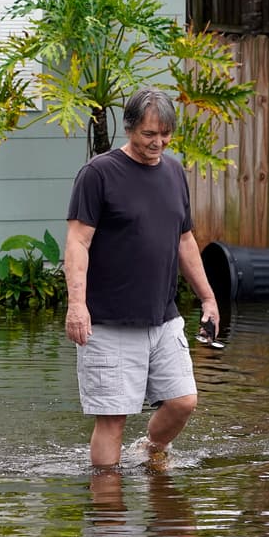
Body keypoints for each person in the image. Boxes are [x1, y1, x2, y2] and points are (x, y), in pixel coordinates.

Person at [64, 86, 220, 467]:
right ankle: (109, 515)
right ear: (130, 128)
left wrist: (208, 298)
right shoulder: (98, 173)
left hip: (162, 317)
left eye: (165, 134)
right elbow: (77, 242)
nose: (158, 142)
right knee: (113, 418)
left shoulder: (173, 171)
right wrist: (77, 306)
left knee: (183, 401)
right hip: (109, 320)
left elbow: (185, 239)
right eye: (149, 134)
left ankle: (148, 453)